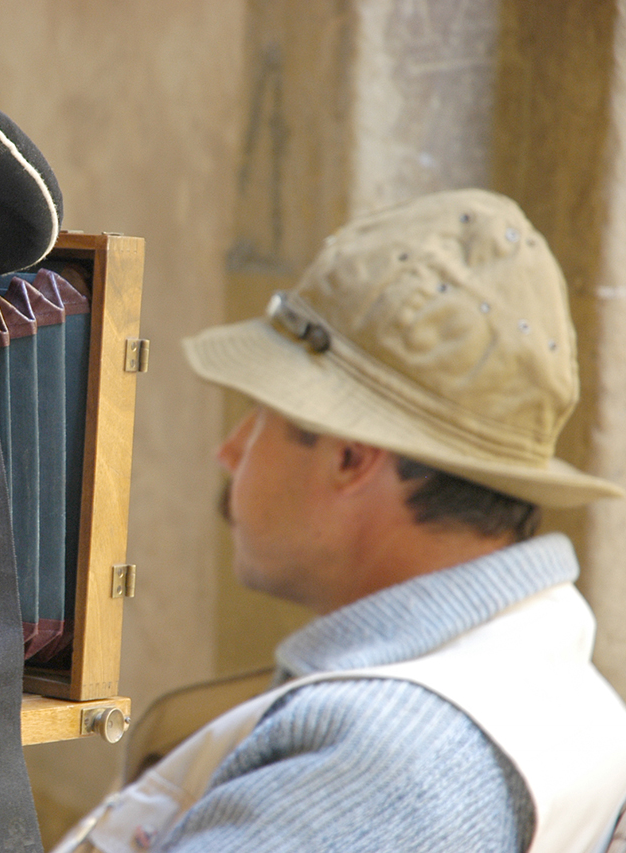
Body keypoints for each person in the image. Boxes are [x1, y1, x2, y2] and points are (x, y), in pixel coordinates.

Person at [54, 189, 626, 853]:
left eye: (261, 413)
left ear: (350, 458)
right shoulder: (547, 680)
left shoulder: (385, 754)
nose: (230, 449)